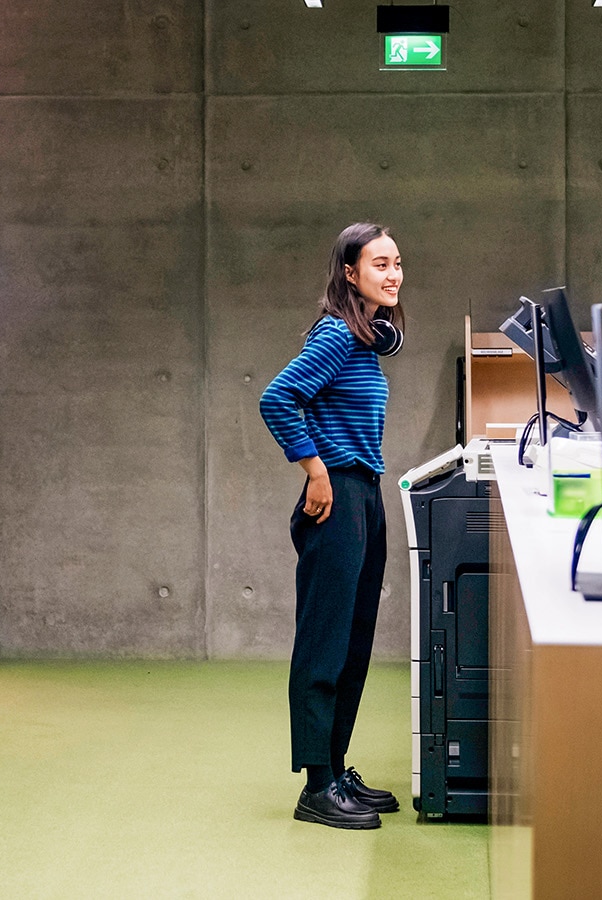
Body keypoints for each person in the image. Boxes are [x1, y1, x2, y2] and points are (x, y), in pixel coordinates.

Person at [260, 223, 405, 830]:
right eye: (378, 264)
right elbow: (277, 398)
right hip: (337, 495)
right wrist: (315, 471)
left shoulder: (365, 340)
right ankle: (316, 786)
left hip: (364, 494)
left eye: (397, 263)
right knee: (325, 642)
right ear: (349, 273)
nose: (392, 273)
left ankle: (336, 767)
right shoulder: (336, 335)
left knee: (354, 640)